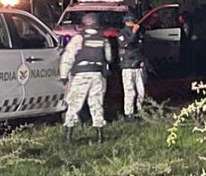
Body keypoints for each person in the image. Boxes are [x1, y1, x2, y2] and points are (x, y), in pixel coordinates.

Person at [60, 13, 113, 143]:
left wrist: (63, 75)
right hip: (97, 75)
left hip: (81, 75)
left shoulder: (79, 38)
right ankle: (99, 135)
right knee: (96, 104)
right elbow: (109, 57)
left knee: (74, 104)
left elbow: (68, 57)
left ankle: (68, 136)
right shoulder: (103, 39)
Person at [118, 13, 146, 120]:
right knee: (129, 91)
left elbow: (141, 47)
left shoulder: (139, 33)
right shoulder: (122, 33)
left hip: (138, 66)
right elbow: (127, 44)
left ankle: (140, 111)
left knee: (141, 91)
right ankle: (129, 113)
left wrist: (143, 60)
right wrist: (133, 33)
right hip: (127, 66)